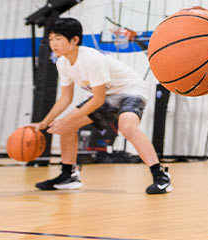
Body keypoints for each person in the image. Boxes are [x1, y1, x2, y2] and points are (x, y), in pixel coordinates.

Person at [33, 17, 171, 194]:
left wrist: (66, 119)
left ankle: (160, 176)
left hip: (131, 89)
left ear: (74, 40)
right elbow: (65, 98)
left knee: (127, 127)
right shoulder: (62, 63)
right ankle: (68, 175)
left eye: (58, 38)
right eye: (51, 39)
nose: (53, 43)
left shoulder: (91, 59)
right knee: (66, 126)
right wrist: (44, 123)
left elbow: (97, 100)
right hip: (108, 94)